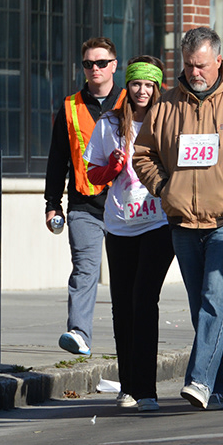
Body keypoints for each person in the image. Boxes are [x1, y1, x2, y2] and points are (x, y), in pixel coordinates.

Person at [133, 27, 223, 411]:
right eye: (187, 65)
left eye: (200, 65)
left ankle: (199, 379)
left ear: (217, 60)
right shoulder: (166, 105)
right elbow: (142, 154)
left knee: (215, 296)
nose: (193, 71)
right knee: (202, 306)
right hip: (182, 220)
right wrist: (164, 188)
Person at [83, 55, 174, 412]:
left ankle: (147, 389)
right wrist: (111, 168)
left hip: (157, 222)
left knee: (143, 299)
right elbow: (92, 174)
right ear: (128, 85)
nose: (142, 90)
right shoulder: (109, 123)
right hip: (120, 223)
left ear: (157, 88)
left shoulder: (166, 121)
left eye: (149, 85)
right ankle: (129, 386)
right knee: (122, 305)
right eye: (136, 83)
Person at [44, 37, 125, 357]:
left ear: (114, 66)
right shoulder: (70, 106)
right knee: (84, 270)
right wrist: (52, 205)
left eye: (101, 63)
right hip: (84, 205)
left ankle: (129, 338)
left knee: (125, 279)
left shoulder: (131, 102)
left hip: (126, 207)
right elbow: (57, 160)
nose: (95, 69)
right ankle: (79, 333)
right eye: (89, 64)